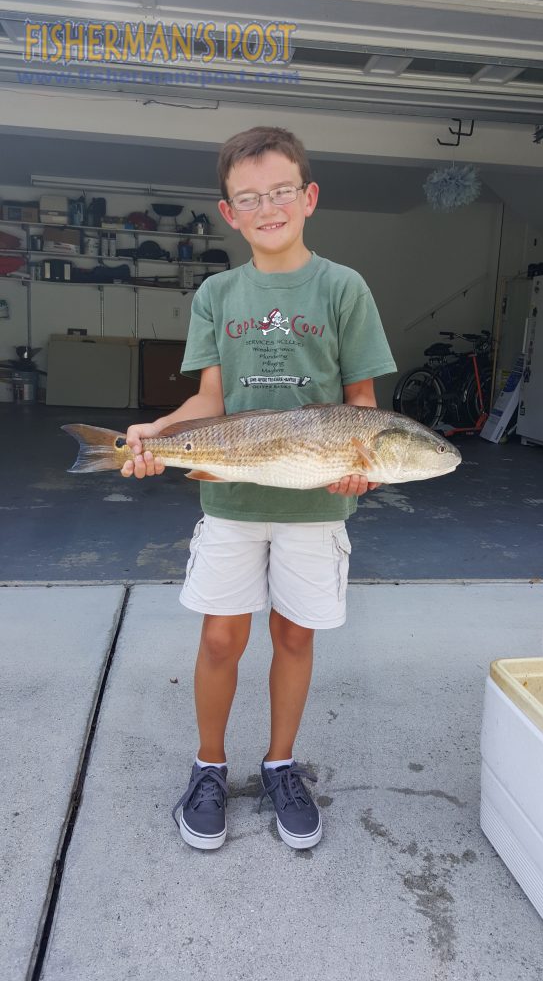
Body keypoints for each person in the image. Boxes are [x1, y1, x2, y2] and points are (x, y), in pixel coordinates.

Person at [121, 125, 397, 851]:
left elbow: (362, 400)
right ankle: (209, 765)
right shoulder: (217, 292)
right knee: (219, 639)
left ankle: (280, 764)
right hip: (233, 496)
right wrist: (158, 431)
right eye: (250, 197)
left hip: (316, 500)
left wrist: (360, 457)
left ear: (308, 197)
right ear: (229, 212)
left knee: (295, 635)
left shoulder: (343, 288)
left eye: (280, 191)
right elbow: (211, 399)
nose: (267, 207)